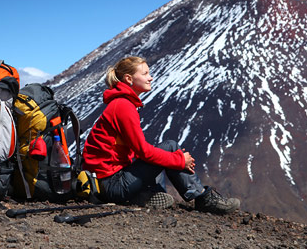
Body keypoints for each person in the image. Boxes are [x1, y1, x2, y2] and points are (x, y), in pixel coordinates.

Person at [82, 56, 240, 213]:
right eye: (144, 74)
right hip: (111, 185)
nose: (150, 78)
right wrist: (180, 161)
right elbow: (142, 151)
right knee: (170, 148)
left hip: (105, 183)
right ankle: (202, 198)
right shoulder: (123, 106)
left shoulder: (120, 104)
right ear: (129, 78)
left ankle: (146, 195)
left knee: (164, 151)